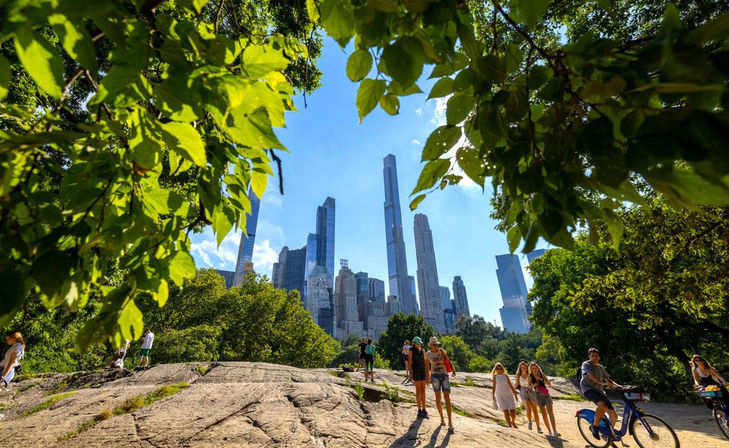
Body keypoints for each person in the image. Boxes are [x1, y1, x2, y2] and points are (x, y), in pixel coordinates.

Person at [581, 348, 618, 440]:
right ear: (589, 356)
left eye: (596, 356)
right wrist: (602, 383)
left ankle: (607, 436)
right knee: (602, 406)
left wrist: (619, 386)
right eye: (592, 355)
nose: (594, 357)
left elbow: (608, 379)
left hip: (600, 392)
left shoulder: (600, 367)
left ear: (599, 358)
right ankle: (595, 426)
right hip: (588, 389)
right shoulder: (586, 364)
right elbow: (590, 376)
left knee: (614, 417)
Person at [425, 336, 456, 434]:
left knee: (447, 397)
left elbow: (448, 360)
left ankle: (450, 422)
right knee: (438, 398)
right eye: (433, 344)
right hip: (435, 376)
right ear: (430, 345)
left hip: (444, 375)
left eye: (436, 344)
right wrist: (427, 377)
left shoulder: (441, 351)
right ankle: (442, 418)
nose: (435, 346)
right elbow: (427, 367)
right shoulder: (428, 354)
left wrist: (453, 369)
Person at [529, 362, 560, 437]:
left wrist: (541, 379)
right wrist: (534, 385)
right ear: (531, 369)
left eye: (535, 368)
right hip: (538, 396)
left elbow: (549, 384)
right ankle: (549, 431)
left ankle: (555, 430)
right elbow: (529, 387)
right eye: (533, 368)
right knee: (544, 413)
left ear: (538, 368)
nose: (534, 370)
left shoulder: (541, 374)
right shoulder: (530, 376)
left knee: (550, 413)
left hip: (546, 395)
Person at [516, 361, 541, 432]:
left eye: (525, 367)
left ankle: (538, 427)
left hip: (530, 391)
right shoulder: (518, 375)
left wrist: (533, 386)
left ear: (527, 367)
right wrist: (512, 390)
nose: (523, 368)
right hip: (523, 392)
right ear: (520, 368)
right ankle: (530, 422)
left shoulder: (530, 374)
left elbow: (535, 383)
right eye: (522, 367)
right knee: (528, 408)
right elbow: (516, 384)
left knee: (535, 410)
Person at [492, 362, 519, 428]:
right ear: (495, 369)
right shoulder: (495, 376)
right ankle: (509, 424)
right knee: (505, 410)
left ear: (502, 369)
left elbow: (510, 385)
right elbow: (494, 386)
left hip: (508, 394)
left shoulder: (505, 376)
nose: (499, 370)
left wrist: (515, 394)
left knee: (512, 410)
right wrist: (493, 396)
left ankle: (513, 421)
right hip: (500, 394)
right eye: (497, 368)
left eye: (500, 368)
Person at [408, 336, 429, 419]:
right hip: (416, 372)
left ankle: (424, 409)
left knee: (423, 391)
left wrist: (428, 375)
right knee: (418, 391)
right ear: (414, 343)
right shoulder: (411, 351)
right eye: (418, 343)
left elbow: (425, 363)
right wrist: (410, 374)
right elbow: (410, 363)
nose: (419, 345)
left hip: (422, 372)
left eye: (420, 343)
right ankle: (419, 410)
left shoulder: (423, 351)